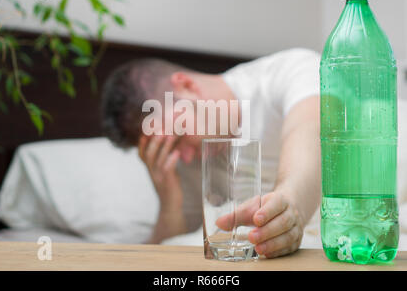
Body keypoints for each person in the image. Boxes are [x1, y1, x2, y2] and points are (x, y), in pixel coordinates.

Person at [101, 48, 322, 258]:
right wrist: (169, 202)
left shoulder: (291, 71)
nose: (184, 157)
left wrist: (289, 206)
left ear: (186, 86)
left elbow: (309, 130)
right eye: (165, 148)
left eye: (178, 138)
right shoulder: (183, 161)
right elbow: (169, 253)